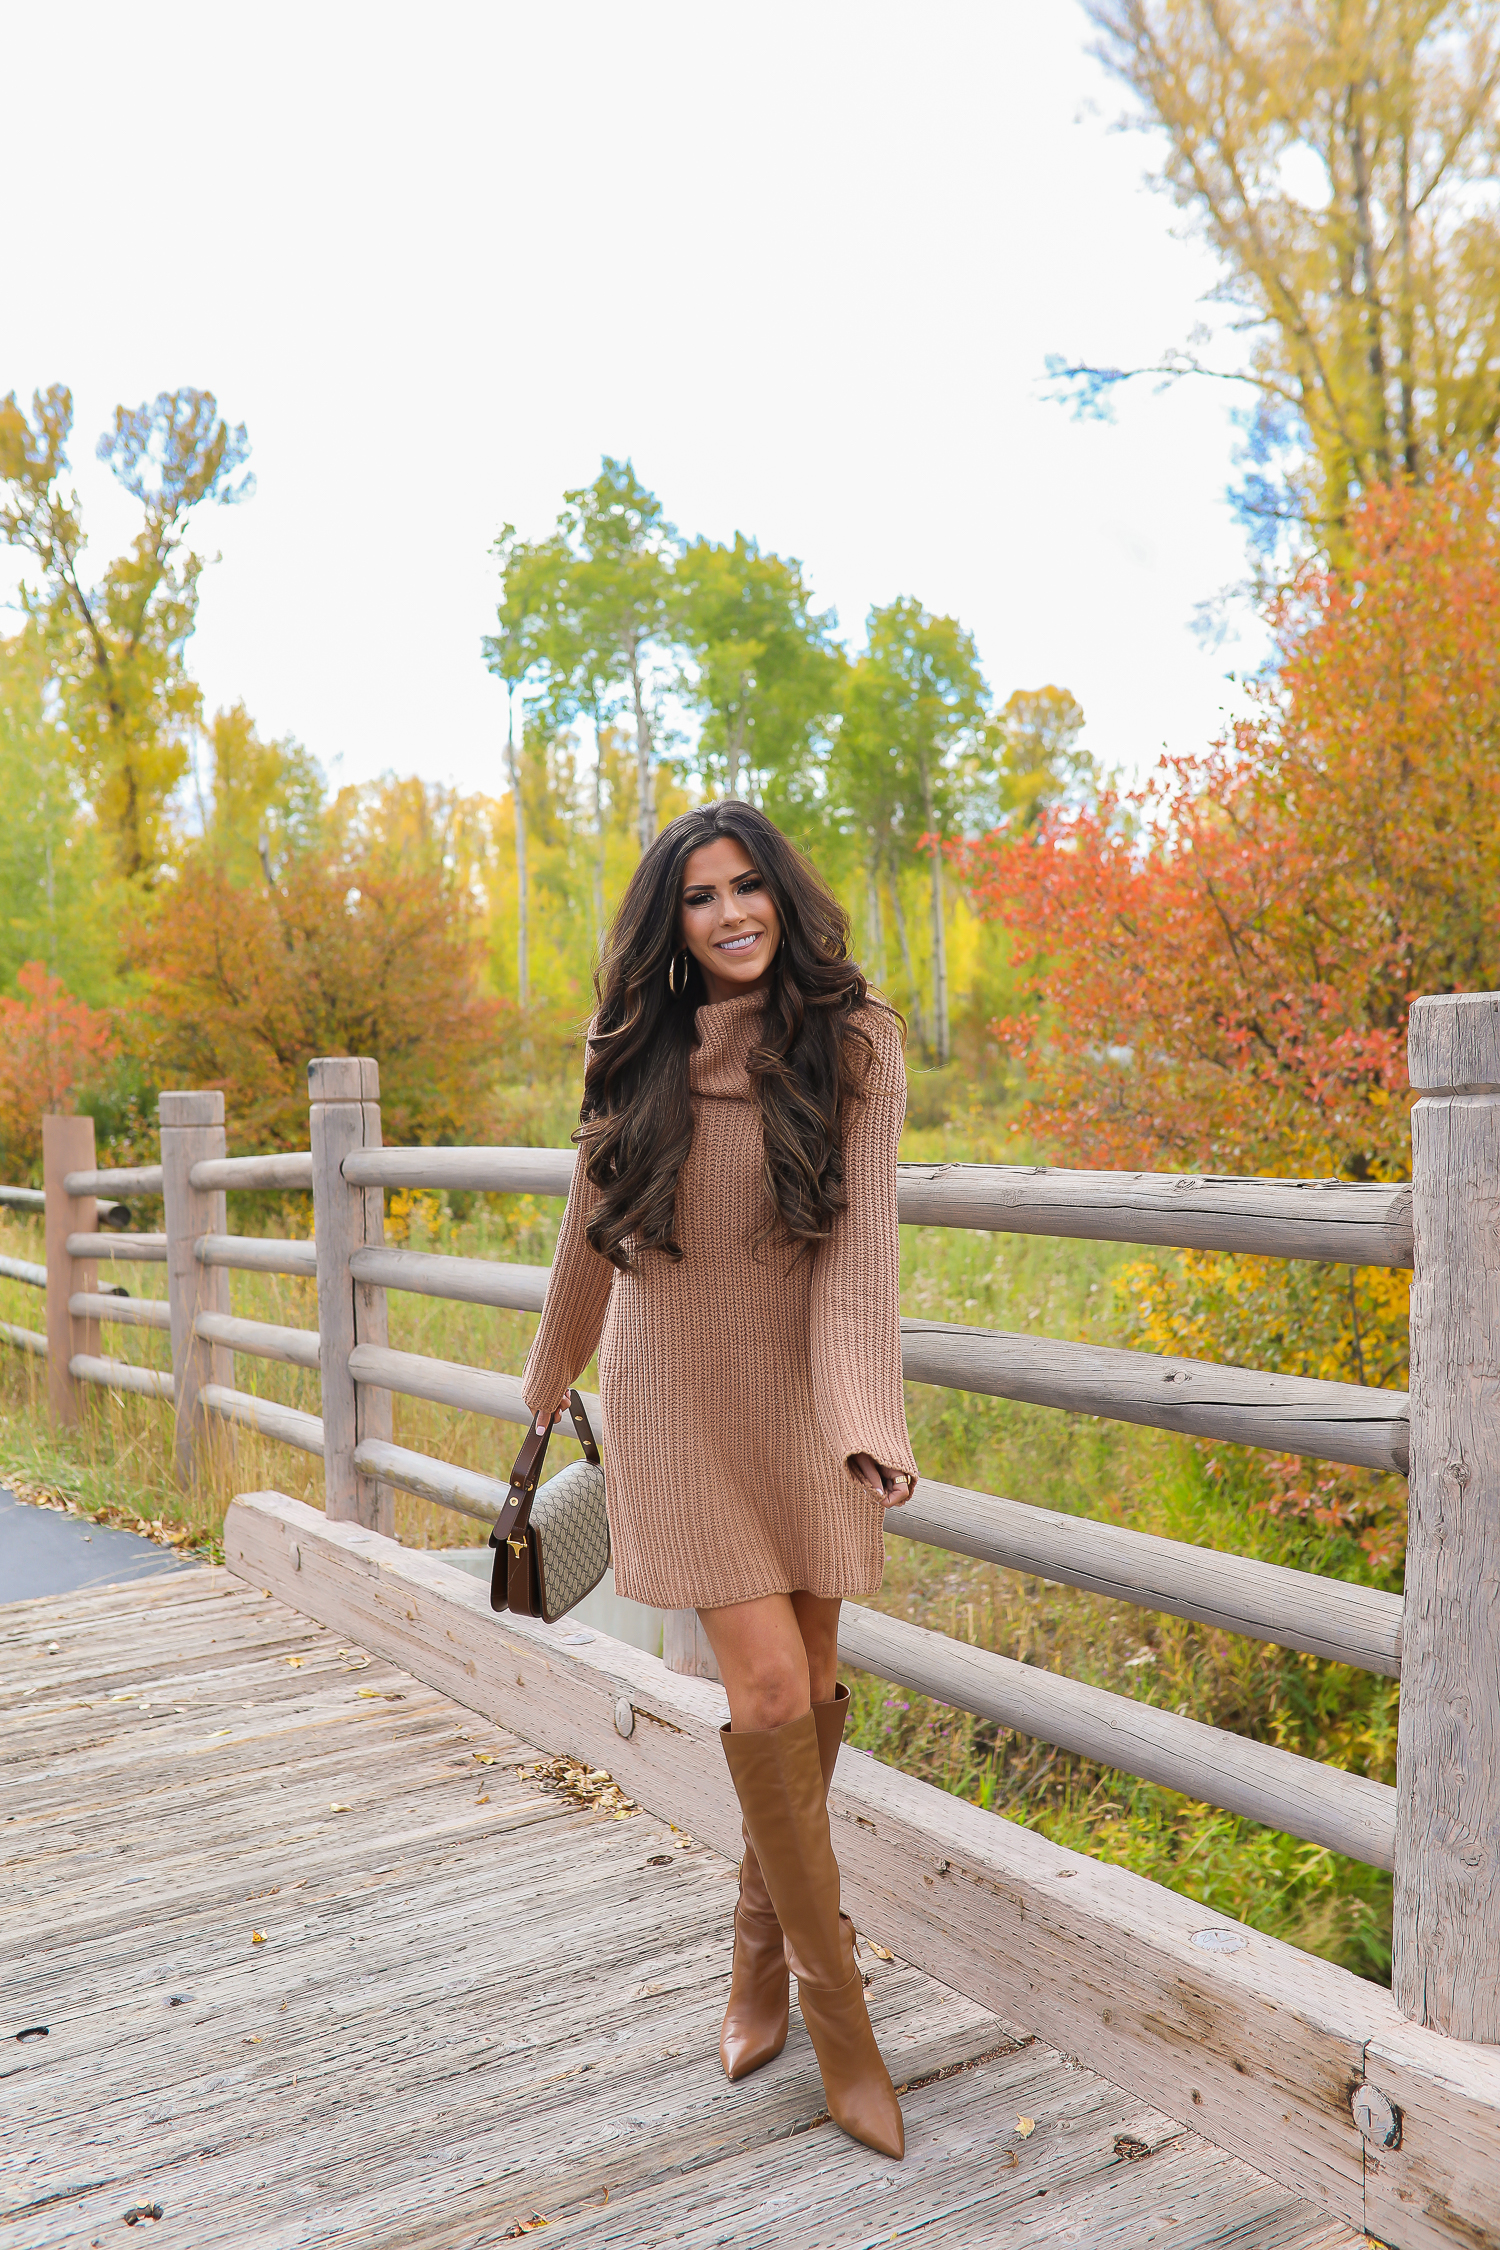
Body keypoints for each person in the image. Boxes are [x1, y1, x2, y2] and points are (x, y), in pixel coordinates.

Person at [522, 800, 917, 2160]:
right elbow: (591, 1223)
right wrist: (547, 1378)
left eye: (750, 885)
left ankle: (756, 1953)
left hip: (810, 1404)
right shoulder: (634, 1048)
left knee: (806, 1696)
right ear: (672, 925)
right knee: (762, 1692)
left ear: (781, 896)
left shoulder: (855, 1043)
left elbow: (861, 1252)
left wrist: (867, 1417)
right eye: (702, 896)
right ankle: (841, 2019)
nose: (733, 911)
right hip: (675, 1400)